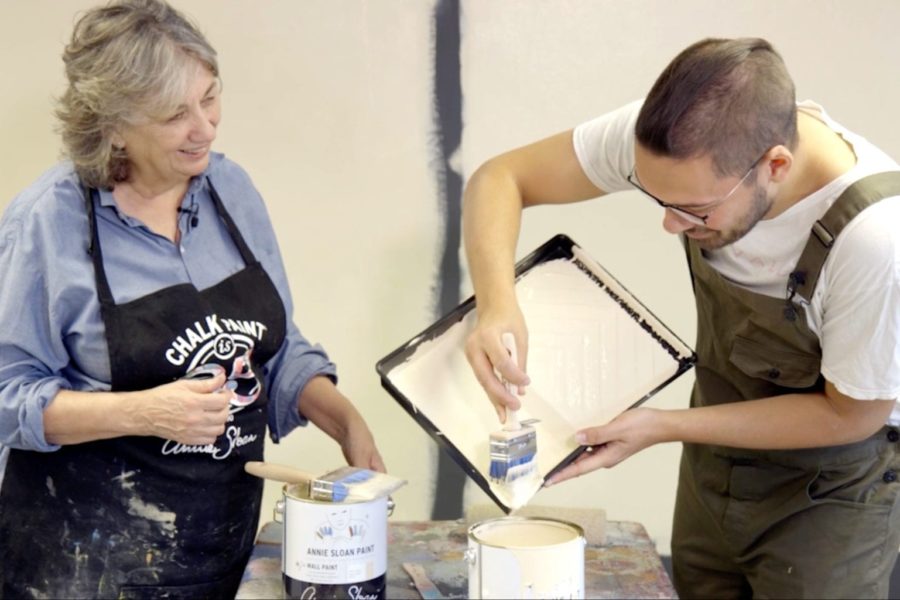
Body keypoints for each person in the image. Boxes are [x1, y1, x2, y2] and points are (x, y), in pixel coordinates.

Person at [462, 37, 900, 598]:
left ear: (776, 165)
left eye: (693, 211)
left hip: (835, 489)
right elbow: (500, 178)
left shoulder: (874, 242)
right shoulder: (681, 145)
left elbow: (851, 416)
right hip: (716, 463)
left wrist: (662, 426)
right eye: (655, 197)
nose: (670, 226)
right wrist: (497, 302)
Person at [0, 0, 385, 597]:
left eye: (209, 98)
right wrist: (141, 412)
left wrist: (347, 422)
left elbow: (273, 350)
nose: (205, 127)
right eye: (175, 113)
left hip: (217, 556)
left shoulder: (231, 192)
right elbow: (7, 396)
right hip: (84, 568)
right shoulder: (47, 223)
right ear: (114, 124)